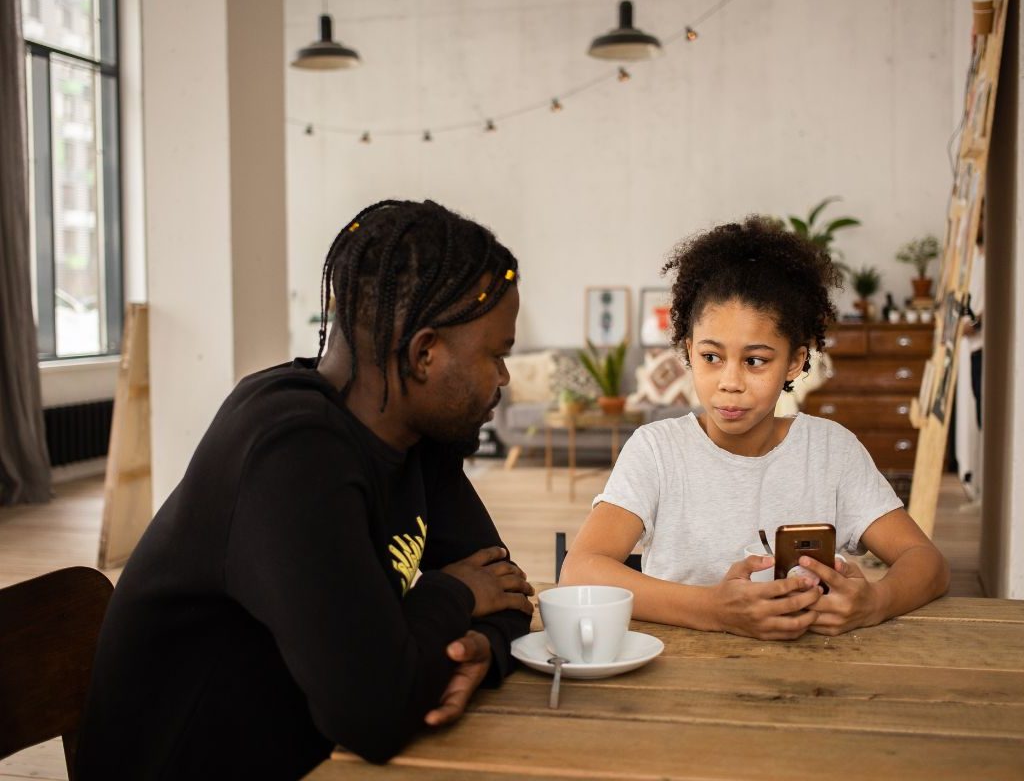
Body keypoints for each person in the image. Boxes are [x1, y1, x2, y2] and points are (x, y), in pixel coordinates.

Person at [76, 200, 534, 778]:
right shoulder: (290, 448)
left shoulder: (419, 432)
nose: (504, 377)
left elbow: (506, 587)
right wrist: (452, 596)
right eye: (497, 354)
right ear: (424, 354)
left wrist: (484, 651)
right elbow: (376, 713)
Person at [560, 217, 949, 640]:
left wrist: (877, 601)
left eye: (755, 360)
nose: (730, 381)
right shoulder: (656, 451)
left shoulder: (830, 451)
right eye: (711, 357)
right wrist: (715, 609)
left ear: (796, 361)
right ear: (689, 350)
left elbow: (926, 561)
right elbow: (579, 570)